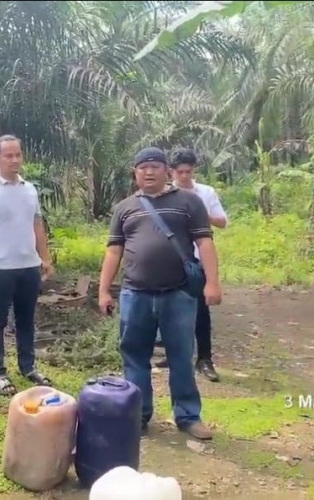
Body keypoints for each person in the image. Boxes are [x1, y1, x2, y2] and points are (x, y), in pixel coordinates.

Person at [98, 146, 222, 440]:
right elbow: (114, 251)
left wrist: (212, 283)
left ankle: (188, 416)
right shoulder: (124, 207)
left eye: (155, 166)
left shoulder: (189, 202)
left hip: (177, 294)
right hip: (135, 295)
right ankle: (138, 416)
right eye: (143, 167)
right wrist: (104, 290)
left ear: (168, 171)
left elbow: (204, 244)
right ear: (135, 173)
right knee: (134, 357)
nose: (149, 171)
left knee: (181, 356)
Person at [0, 134, 54, 396]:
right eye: (8, 155)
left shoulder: (30, 189)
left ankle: (28, 367)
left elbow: (37, 224)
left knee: (26, 319)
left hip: (29, 266)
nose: (14, 159)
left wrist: (45, 258)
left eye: (17, 154)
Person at [154, 148, 228, 382]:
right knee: (168, 309)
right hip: (169, 259)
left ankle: (204, 359)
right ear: (171, 171)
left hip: (197, 260)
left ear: (194, 170)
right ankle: (174, 354)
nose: (184, 176)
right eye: (180, 172)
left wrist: (198, 214)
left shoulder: (205, 193)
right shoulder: (161, 194)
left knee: (200, 311)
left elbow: (222, 221)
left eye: (188, 171)